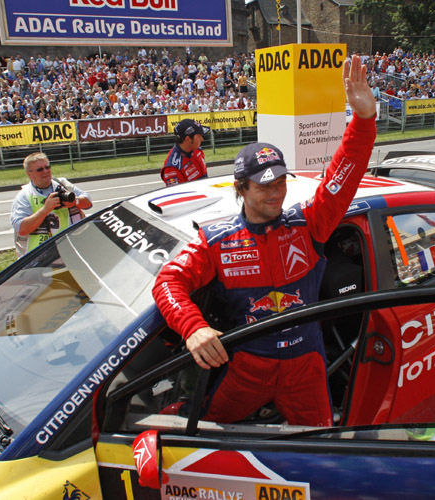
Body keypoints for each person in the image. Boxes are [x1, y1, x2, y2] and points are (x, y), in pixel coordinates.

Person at [151, 55, 377, 427]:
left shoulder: (310, 223)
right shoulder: (217, 240)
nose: (277, 193)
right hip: (246, 368)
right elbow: (169, 281)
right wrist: (193, 327)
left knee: (320, 447)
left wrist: (364, 120)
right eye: (264, 185)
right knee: (206, 441)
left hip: (306, 367)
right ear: (240, 188)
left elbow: (343, 175)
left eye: (281, 181)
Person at [10, 152, 93, 257]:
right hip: (41, 256)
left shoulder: (63, 184)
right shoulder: (24, 195)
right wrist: (45, 209)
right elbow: (22, 228)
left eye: (47, 167)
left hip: (71, 250)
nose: (45, 171)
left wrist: (75, 201)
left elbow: (88, 203)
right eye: (40, 169)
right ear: (29, 174)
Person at [160, 118, 210, 186]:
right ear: (188, 139)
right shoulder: (172, 168)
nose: (202, 139)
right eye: (199, 136)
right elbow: (178, 195)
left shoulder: (197, 149)